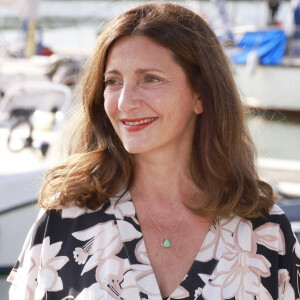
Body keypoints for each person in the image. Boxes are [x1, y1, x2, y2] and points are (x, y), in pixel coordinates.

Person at [7, 3, 300, 300]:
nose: (124, 102)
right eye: (113, 81)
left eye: (150, 78)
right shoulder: (64, 220)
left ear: (201, 93)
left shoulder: (266, 233)